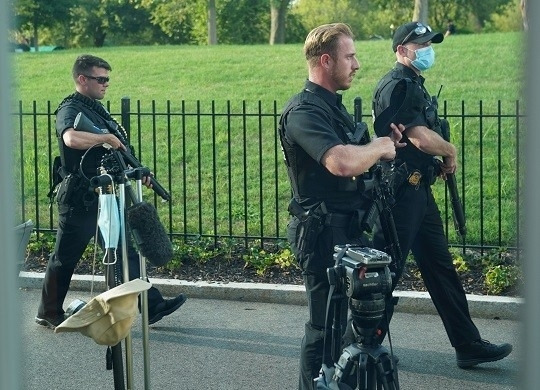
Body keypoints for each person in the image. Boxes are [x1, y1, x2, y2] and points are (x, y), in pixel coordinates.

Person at [371, 21, 513, 369]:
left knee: (441, 270)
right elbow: (418, 136)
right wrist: (449, 150)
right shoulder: (398, 86)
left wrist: (437, 160)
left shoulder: (412, 83)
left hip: (417, 192)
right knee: (382, 273)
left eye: (429, 43)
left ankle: (468, 344)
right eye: (420, 44)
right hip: (400, 195)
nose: (427, 49)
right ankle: (360, 347)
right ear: (401, 50)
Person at [278, 23, 405, 390]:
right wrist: (378, 148)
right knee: (323, 330)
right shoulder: (303, 111)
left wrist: (382, 146)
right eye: (350, 56)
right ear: (325, 60)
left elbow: (356, 166)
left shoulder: (332, 108)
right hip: (320, 234)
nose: (357, 64)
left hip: (347, 229)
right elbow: (340, 163)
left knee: (350, 329)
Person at [36, 54, 187, 329]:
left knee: (124, 251)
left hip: (102, 195)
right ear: (82, 80)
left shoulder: (94, 109)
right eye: (100, 79)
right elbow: (70, 137)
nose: (106, 84)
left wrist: (137, 170)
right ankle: (48, 311)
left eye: (107, 79)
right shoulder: (70, 108)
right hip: (80, 198)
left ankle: (151, 305)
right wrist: (104, 137)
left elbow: (115, 152)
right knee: (65, 258)